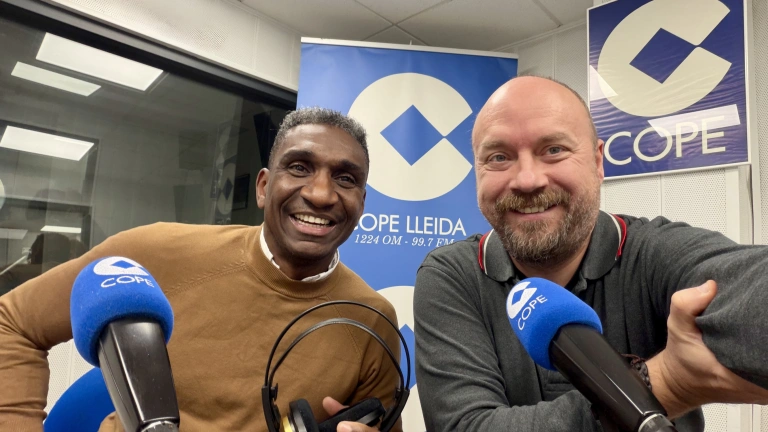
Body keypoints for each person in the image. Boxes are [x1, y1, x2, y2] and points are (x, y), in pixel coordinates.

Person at [0, 107, 402, 432]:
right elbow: (14, 322)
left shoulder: (373, 320)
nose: (321, 194)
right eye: (299, 167)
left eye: (345, 178)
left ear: (361, 204)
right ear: (263, 187)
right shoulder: (155, 251)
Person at [412, 76, 768, 432]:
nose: (527, 180)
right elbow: (464, 426)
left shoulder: (655, 252)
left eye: (553, 150)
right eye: (499, 157)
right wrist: (664, 385)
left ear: (598, 161)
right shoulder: (452, 274)